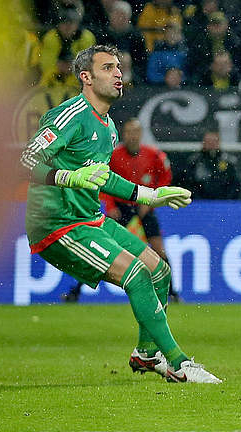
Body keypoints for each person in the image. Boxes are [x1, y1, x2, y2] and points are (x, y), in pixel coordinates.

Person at [18, 45, 218, 383]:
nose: (118, 73)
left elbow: (104, 177)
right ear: (86, 77)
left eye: (119, 67)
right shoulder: (69, 116)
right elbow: (25, 162)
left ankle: (145, 354)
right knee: (137, 274)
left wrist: (151, 195)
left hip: (91, 220)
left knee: (160, 272)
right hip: (59, 226)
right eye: (108, 67)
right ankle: (179, 363)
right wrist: (67, 177)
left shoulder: (109, 127)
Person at [62, 118, 181, 303]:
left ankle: (172, 293)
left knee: (159, 250)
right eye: (128, 132)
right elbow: (103, 181)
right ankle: (75, 292)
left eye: (135, 132)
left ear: (141, 134)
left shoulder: (154, 155)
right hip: (120, 208)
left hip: (144, 207)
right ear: (122, 134)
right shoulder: (114, 156)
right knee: (100, 249)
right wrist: (110, 206)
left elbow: (165, 177)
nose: (132, 136)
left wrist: (150, 201)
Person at [178, 128, 241, 199]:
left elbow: (235, 184)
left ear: (219, 143)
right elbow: (188, 183)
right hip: (199, 203)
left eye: (214, 141)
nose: (211, 144)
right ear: (203, 143)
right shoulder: (194, 161)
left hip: (224, 203)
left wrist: (226, 201)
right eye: (208, 141)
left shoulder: (229, 161)